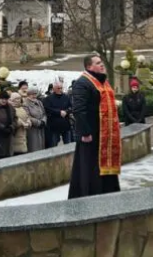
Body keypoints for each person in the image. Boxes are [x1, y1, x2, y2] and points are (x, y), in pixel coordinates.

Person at [68, 54, 121, 199]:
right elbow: (79, 109)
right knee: (89, 170)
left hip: (105, 136)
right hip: (91, 136)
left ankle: (109, 194)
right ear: (89, 67)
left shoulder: (102, 81)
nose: (102, 64)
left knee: (103, 169)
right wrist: (85, 133)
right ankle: (90, 198)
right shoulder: (82, 83)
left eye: (101, 62)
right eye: (98, 63)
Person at [43, 81, 74, 148]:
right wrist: (59, 112)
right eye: (58, 88)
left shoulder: (66, 97)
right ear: (54, 89)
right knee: (53, 145)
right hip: (54, 125)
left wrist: (66, 111)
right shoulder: (48, 98)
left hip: (65, 124)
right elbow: (48, 109)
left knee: (68, 145)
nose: (60, 90)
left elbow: (71, 107)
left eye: (61, 88)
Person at [24, 87, 47, 152]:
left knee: (41, 146)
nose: (34, 96)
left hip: (41, 128)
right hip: (33, 129)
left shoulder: (39, 102)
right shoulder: (25, 104)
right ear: (28, 95)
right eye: (32, 94)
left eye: (35, 94)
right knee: (34, 147)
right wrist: (38, 122)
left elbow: (44, 113)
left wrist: (43, 121)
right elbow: (27, 116)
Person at [9, 92, 31, 156]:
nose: (18, 100)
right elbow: (13, 119)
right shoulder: (10, 108)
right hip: (15, 136)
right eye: (16, 99)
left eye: (19, 98)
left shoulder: (22, 108)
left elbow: (27, 116)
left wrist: (29, 122)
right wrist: (22, 123)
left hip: (23, 136)